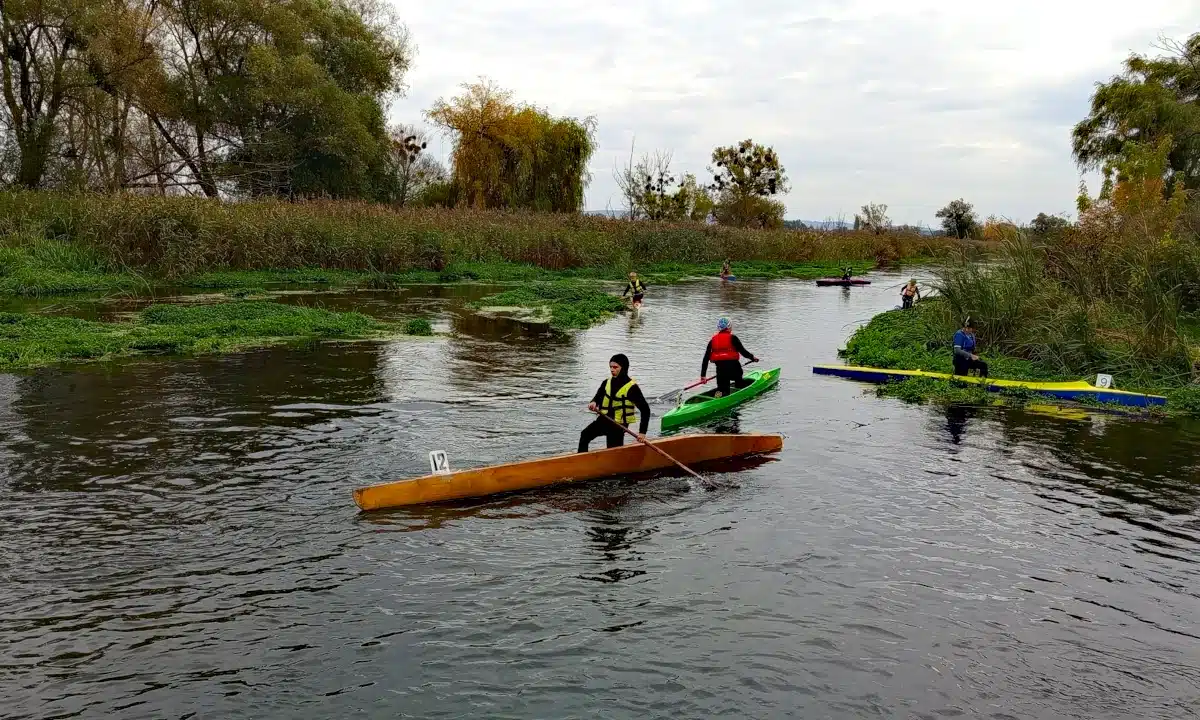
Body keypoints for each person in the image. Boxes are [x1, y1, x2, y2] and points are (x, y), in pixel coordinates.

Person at [579, 353, 651, 452]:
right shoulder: (606, 382)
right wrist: (593, 402)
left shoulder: (632, 388)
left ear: (623, 367)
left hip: (618, 425)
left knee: (613, 450)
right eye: (610, 367)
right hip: (604, 420)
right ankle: (581, 459)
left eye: (615, 367)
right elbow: (598, 397)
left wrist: (642, 433)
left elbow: (645, 410)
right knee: (585, 435)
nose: (612, 369)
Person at [701, 317, 759, 397]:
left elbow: (706, 359)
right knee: (739, 382)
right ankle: (739, 388)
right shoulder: (733, 338)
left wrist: (703, 376)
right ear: (729, 327)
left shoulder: (712, 340)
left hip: (720, 372)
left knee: (722, 389)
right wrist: (752, 358)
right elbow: (743, 352)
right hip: (734, 371)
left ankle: (719, 395)